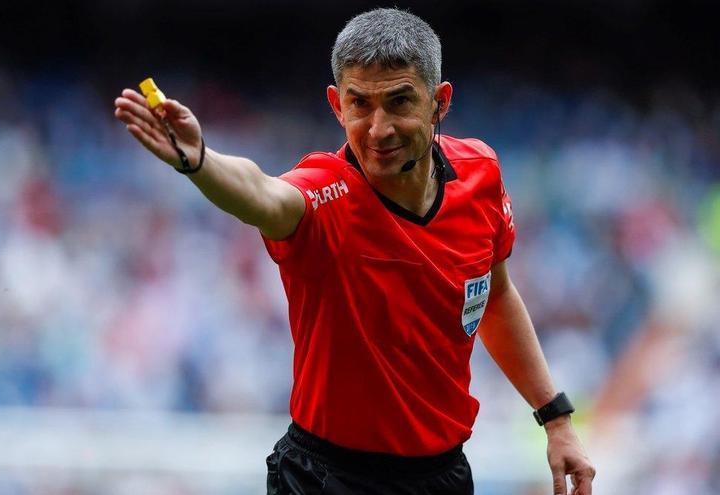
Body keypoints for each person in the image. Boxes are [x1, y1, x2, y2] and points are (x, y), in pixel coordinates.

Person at [114, 7, 596, 495]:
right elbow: (262, 194)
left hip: (442, 477)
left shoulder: (480, 174)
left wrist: (556, 419)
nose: (378, 128)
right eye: (360, 103)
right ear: (336, 105)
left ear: (440, 102)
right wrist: (200, 161)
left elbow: (493, 297)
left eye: (399, 102)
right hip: (326, 479)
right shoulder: (323, 194)